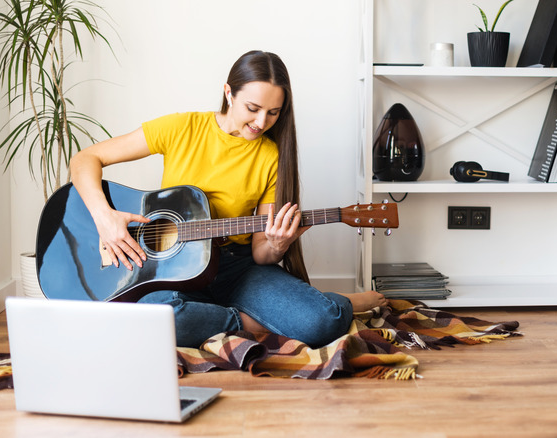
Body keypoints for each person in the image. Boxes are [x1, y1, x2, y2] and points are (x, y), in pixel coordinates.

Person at [70, 50, 387, 349]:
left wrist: (277, 244)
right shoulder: (181, 128)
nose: (262, 122)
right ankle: (251, 321)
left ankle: (336, 302)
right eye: (253, 108)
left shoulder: (272, 156)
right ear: (228, 93)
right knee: (159, 316)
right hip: (168, 266)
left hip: (234, 265)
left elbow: (262, 254)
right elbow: (86, 159)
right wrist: (105, 218)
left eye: (273, 113)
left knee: (322, 322)